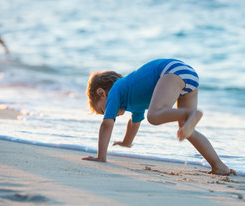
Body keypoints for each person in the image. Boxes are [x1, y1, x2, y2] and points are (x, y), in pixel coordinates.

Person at [84, 58, 231, 175]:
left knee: (154, 116)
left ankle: (192, 113)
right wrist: (126, 142)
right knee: (187, 129)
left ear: (102, 93)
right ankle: (219, 166)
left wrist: (101, 157)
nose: (108, 112)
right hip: (188, 74)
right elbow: (134, 123)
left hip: (171, 72)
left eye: (102, 111)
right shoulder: (132, 99)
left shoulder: (116, 88)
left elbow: (107, 124)